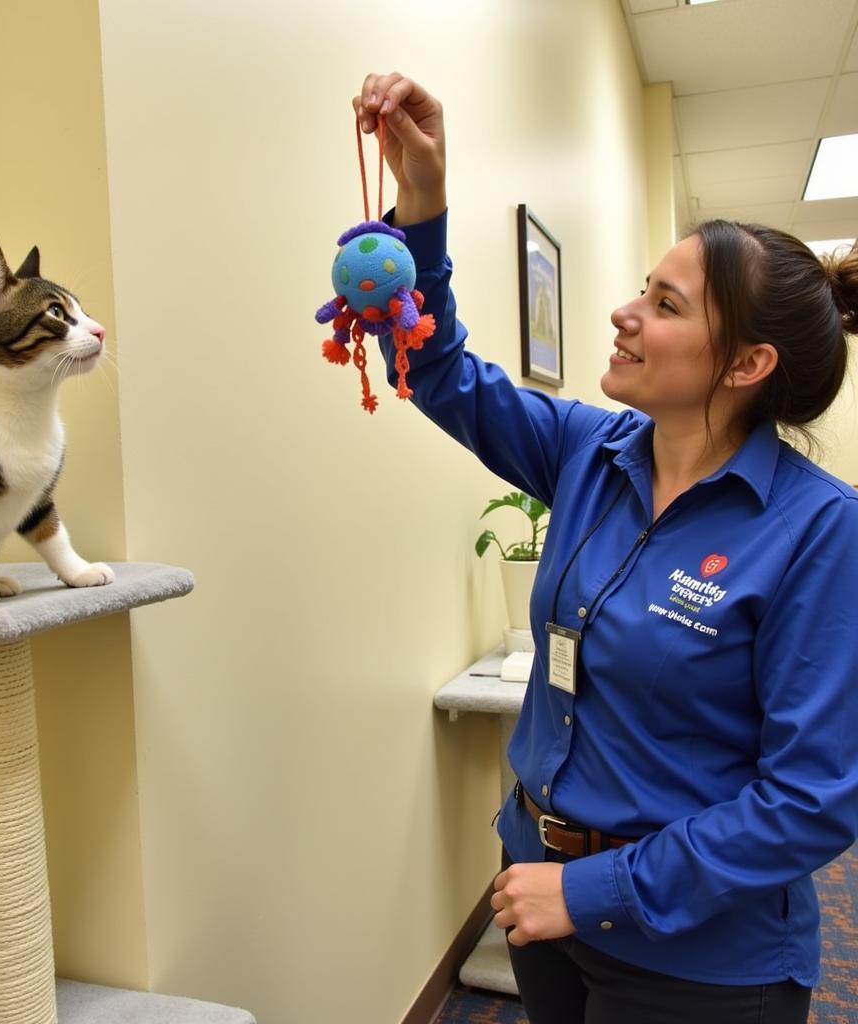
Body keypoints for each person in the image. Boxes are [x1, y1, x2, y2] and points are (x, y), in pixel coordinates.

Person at [354, 72, 858, 1024]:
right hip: (540, 893)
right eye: (641, 291)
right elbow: (440, 370)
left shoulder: (820, 530)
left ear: (748, 366)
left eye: (665, 306)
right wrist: (423, 198)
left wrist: (593, 892)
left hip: (700, 954)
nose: (626, 313)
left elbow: (809, 803)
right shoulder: (592, 450)